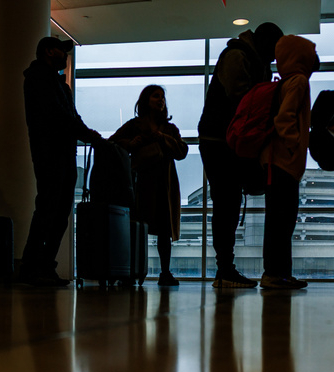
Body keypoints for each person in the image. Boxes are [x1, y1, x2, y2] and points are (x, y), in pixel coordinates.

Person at [198, 22, 284, 289]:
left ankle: (225, 269)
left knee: (228, 204)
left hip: (224, 140)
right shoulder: (239, 56)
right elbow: (244, 101)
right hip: (222, 141)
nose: (273, 59)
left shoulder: (246, 57)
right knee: (227, 204)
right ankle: (224, 270)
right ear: (265, 45)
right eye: (273, 52)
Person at [18, 36, 104, 287]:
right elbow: (61, 116)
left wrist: (86, 134)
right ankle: (35, 266)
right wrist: (89, 135)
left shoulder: (55, 83)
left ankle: (40, 266)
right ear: (48, 51)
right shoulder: (40, 79)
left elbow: (67, 116)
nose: (66, 56)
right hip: (52, 154)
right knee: (50, 210)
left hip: (58, 154)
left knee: (56, 211)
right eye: (61, 51)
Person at [109, 85, 189, 286]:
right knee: (140, 230)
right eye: (156, 96)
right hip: (142, 184)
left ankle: (159, 272)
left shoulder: (169, 129)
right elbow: (114, 142)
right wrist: (130, 143)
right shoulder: (136, 126)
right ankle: (138, 272)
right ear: (146, 100)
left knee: (162, 231)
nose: (161, 100)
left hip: (161, 184)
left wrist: (162, 139)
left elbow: (182, 151)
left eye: (162, 97)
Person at [257, 34, 319, 289]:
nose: (316, 59)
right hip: (282, 162)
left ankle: (279, 273)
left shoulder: (286, 81)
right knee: (282, 221)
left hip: (274, 161)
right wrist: (295, 147)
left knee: (278, 220)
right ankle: (275, 274)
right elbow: (284, 120)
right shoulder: (299, 81)